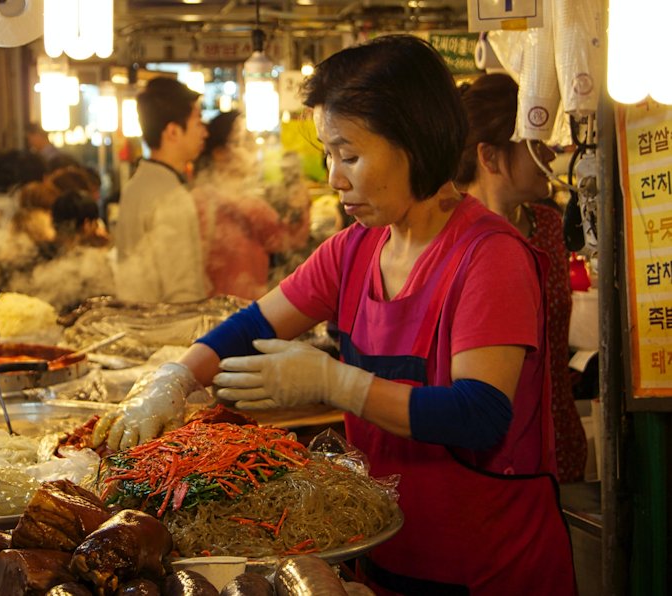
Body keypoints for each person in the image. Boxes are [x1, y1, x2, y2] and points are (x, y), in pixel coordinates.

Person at [93, 36, 576, 594]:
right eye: (328, 154)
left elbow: (480, 413)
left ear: (414, 144)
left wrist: (335, 382)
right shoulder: (355, 249)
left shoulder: (489, 256)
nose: (334, 178)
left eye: (349, 155)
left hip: (491, 568)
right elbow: (254, 325)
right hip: (385, 553)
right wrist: (174, 379)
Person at [456, 72, 588, 484]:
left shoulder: (548, 224)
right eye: (536, 145)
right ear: (491, 157)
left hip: (559, 433)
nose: (550, 157)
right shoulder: (454, 237)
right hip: (488, 447)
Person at [192, 111, 309, 300]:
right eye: (245, 141)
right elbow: (289, 239)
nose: (255, 149)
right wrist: (299, 207)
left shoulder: (201, 196)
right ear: (220, 153)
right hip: (237, 311)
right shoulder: (242, 205)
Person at [114, 77, 208, 303]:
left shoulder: (134, 186)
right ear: (173, 132)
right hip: (166, 330)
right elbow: (183, 292)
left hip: (134, 323)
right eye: (198, 123)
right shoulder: (172, 198)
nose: (205, 133)